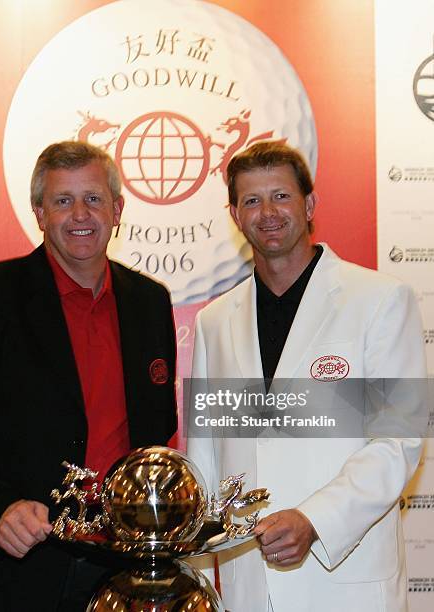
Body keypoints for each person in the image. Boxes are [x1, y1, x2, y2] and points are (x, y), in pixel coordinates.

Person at [0, 141, 177, 611]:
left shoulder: (150, 302)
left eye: (94, 199)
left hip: (116, 572)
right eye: (63, 200)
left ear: (117, 209)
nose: (80, 213)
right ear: (39, 213)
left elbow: (155, 431)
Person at [187, 142, 426, 611]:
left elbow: (398, 442)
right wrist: (199, 581)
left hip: (346, 581)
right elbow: (206, 462)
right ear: (235, 214)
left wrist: (314, 520)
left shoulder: (380, 299)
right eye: (252, 201)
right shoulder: (213, 322)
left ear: (309, 204)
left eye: (281, 196)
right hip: (247, 587)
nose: (268, 212)